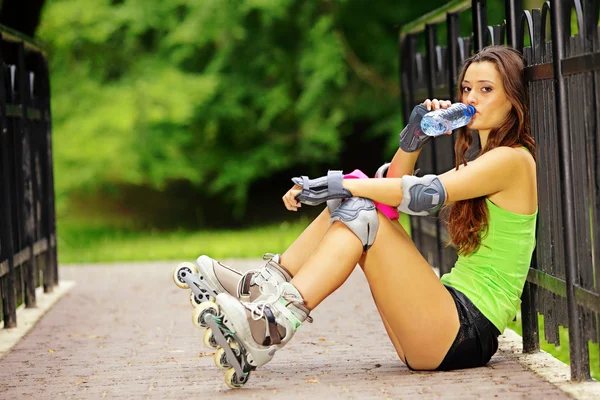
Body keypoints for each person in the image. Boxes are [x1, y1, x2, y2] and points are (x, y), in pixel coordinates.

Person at [183, 44, 538, 387]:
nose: (470, 99)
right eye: (466, 88)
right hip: (441, 323)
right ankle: (265, 288)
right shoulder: (487, 156)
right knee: (357, 196)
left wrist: (341, 185)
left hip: (464, 329)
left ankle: (274, 323)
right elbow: (391, 196)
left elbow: (420, 196)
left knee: (357, 198)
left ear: (513, 99)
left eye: (486, 89)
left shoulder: (513, 159)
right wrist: (411, 140)